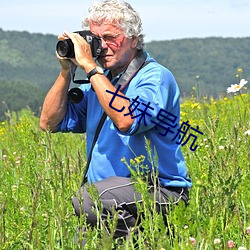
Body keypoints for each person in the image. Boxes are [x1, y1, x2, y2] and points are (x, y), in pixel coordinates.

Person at [40, 0, 192, 244]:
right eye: (96, 39)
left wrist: (90, 67)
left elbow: (127, 120)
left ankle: (146, 241)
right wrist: (66, 70)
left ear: (133, 39)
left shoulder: (154, 77)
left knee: (88, 199)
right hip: (111, 199)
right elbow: (49, 123)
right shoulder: (99, 82)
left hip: (159, 191)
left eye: (110, 37)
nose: (102, 47)